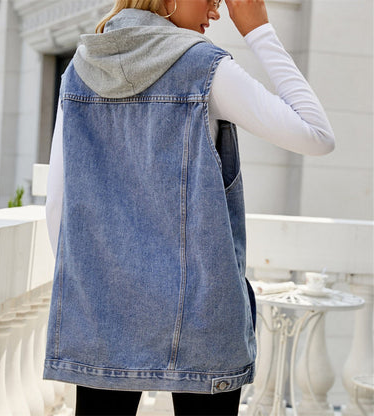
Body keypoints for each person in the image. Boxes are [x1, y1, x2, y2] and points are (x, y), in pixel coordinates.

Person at [43, 0, 335, 415]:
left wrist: (99, 291)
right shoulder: (204, 68)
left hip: (104, 314)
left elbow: (58, 204)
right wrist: (260, 32)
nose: (216, 12)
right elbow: (317, 135)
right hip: (201, 314)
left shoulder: (81, 68)